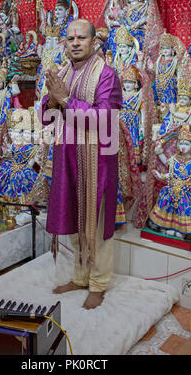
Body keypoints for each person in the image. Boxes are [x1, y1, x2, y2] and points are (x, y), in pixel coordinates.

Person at [39, 18, 122, 309]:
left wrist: (65, 99)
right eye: (70, 38)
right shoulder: (62, 72)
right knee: (75, 218)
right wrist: (50, 101)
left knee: (96, 224)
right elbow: (47, 119)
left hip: (97, 159)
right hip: (67, 157)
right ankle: (80, 275)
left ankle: (98, 283)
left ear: (93, 42)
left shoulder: (107, 75)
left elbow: (105, 118)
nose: (75, 42)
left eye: (81, 38)